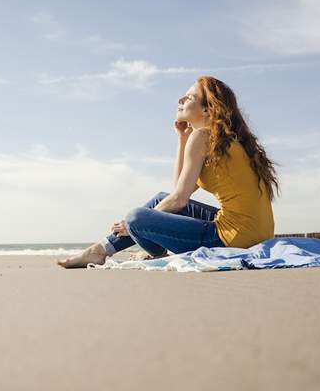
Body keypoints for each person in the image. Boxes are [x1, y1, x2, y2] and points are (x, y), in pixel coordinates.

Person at [57, 76, 280, 269]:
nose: (180, 101)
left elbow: (179, 199)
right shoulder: (221, 140)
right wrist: (182, 139)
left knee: (136, 217)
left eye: (189, 97)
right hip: (255, 232)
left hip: (232, 238)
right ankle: (102, 248)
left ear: (207, 109)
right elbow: (177, 193)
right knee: (161, 200)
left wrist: (129, 225)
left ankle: (139, 250)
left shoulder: (203, 136)